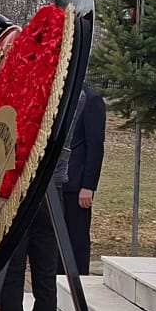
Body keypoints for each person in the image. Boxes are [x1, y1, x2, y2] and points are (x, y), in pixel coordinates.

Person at [57, 84, 106, 276]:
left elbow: (95, 147)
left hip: (76, 185)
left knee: (76, 238)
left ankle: (78, 281)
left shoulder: (91, 99)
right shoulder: (60, 94)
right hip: (55, 183)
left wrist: (88, 186)